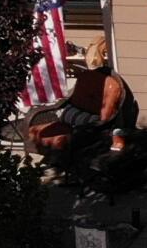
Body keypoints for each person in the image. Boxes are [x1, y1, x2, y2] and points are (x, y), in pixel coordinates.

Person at [27, 36, 138, 166]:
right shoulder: (88, 78)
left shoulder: (112, 85)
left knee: (65, 138)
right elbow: (72, 100)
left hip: (92, 126)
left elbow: (106, 117)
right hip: (77, 122)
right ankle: (58, 162)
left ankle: (67, 164)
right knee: (35, 130)